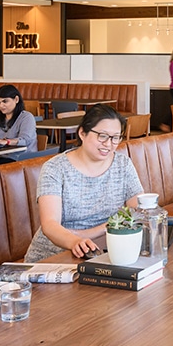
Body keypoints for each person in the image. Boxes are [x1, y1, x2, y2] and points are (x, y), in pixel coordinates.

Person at [24, 104, 143, 262]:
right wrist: (76, 240)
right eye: (102, 136)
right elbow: (50, 224)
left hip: (106, 252)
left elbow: (137, 210)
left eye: (115, 137)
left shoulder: (123, 164)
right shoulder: (55, 168)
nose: (109, 144)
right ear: (82, 133)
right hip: (56, 256)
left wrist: (91, 233)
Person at [0, 84, 37, 159]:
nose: (1, 105)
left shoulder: (26, 117)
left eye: (5, 101)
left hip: (20, 157)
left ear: (16, 99)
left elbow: (25, 140)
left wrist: (6, 141)